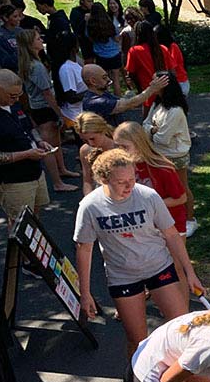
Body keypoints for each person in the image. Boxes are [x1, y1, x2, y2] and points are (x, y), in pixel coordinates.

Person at [73, 147, 203, 355]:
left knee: (181, 330)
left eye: (132, 179)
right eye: (121, 182)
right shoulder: (90, 207)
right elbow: (84, 249)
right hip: (123, 277)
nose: (129, 186)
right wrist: (85, 294)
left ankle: (183, 380)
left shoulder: (148, 196)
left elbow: (171, 235)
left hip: (159, 267)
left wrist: (190, 273)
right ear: (104, 180)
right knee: (138, 341)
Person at [0, 69, 52, 244]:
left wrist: (39, 141)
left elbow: (29, 127)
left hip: (34, 172)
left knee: (35, 216)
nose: (16, 99)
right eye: (12, 96)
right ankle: (25, 259)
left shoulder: (13, 103)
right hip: (11, 180)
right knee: (20, 222)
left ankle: (36, 252)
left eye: (18, 95)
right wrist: (26, 154)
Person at [16, 28, 79, 192]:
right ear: (30, 44)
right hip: (44, 108)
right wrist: (59, 113)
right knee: (49, 147)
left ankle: (62, 170)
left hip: (39, 107)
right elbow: (47, 93)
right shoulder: (36, 66)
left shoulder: (29, 63)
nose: (41, 41)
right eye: (37, 39)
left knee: (56, 142)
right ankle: (58, 183)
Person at [113, 121, 187, 247]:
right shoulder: (123, 167)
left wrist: (148, 206)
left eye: (125, 147)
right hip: (141, 226)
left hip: (169, 225)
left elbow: (181, 198)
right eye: (117, 146)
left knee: (175, 265)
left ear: (139, 143)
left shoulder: (162, 168)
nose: (120, 152)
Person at [142, 71, 197, 237]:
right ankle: (168, 219)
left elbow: (163, 139)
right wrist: (152, 129)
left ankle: (190, 219)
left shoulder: (175, 111)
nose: (151, 84)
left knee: (181, 188)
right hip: (159, 155)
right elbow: (144, 124)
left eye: (154, 81)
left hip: (175, 157)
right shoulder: (157, 105)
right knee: (163, 190)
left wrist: (150, 131)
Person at [81, 63, 167, 127]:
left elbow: (127, 102)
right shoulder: (93, 102)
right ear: (93, 81)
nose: (108, 79)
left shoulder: (103, 94)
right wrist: (152, 88)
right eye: (104, 77)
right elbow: (128, 104)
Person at [125, 21, 174, 116]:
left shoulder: (134, 51)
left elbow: (130, 72)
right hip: (166, 89)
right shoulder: (163, 48)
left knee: (147, 121)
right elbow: (172, 70)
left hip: (148, 91)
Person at [31, 0, 72, 81]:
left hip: (61, 59)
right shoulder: (53, 19)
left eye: (38, 6)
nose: (37, 9)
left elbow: (61, 40)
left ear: (45, 5)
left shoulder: (59, 21)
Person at [75, 111, 115, 196]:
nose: (91, 144)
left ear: (102, 131)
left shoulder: (120, 145)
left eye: (92, 139)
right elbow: (87, 181)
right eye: (85, 140)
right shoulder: (85, 150)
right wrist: (88, 200)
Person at [87, 2, 122, 96]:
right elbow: (116, 38)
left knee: (103, 82)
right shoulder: (109, 23)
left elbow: (89, 38)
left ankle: (107, 101)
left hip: (101, 56)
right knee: (116, 80)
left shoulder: (90, 26)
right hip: (114, 54)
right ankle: (119, 102)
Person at [56, 31, 87, 129]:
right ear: (74, 48)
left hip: (81, 112)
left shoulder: (76, 63)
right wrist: (91, 92)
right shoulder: (67, 69)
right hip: (74, 116)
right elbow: (71, 97)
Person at [154, 25, 189, 97]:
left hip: (179, 83)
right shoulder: (163, 48)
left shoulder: (173, 46)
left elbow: (172, 67)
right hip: (174, 82)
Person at [0, 4, 22, 72]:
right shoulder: (0, 36)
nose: (19, 19)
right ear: (6, 18)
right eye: (15, 16)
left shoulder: (20, 31)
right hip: (12, 71)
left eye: (19, 16)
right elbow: (4, 59)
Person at [69, 0, 95, 64]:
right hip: (84, 44)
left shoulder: (92, 10)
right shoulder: (75, 12)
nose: (91, 3)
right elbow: (76, 29)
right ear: (82, 1)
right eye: (89, 1)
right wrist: (84, 21)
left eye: (92, 1)